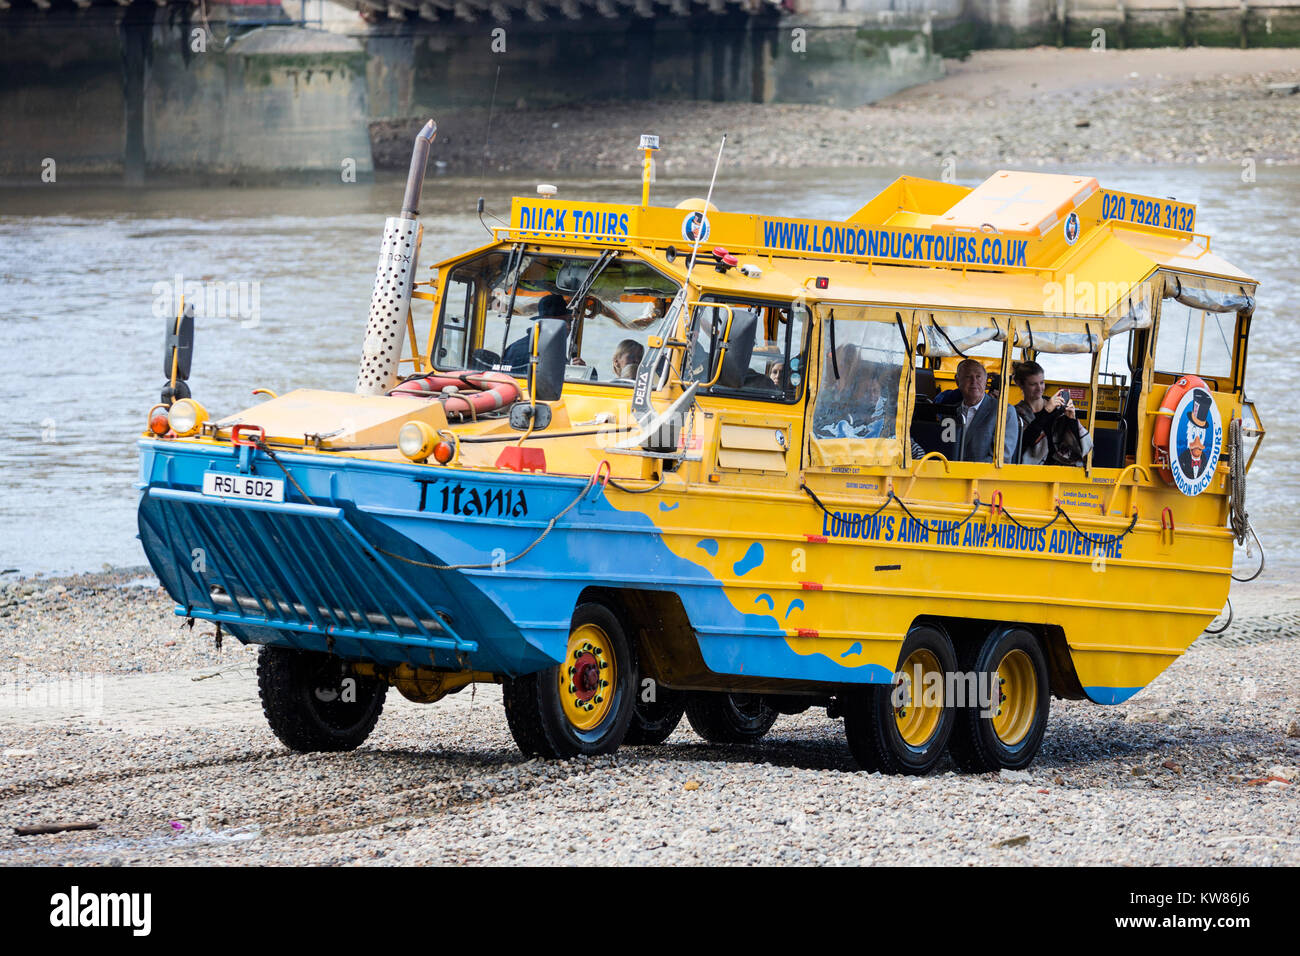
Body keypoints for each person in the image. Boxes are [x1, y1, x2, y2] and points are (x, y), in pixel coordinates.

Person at [1012, 361, 1092, 466]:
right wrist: (1046, 411)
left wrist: (1071, 419)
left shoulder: (1058, 409)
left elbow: (1079, 447)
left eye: (1042, 382)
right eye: (1033, 384)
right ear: (1020, 384)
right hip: (1031, 471)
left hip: (1061, 469)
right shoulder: (1016, 413)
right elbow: (1023, 443)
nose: (1039, 388)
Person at [941, 358, 1019, 463]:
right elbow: (946, 448)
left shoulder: (1004, 412)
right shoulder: (951, 412)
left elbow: (1001, 459)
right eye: (968, 377)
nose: (974, 382)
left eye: (978, 377)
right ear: (957, 381)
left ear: (986, 380)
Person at [501, 293, 571, 373]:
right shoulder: (522, 350)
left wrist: (580, 373)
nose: (568, 327)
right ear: (544, 323)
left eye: (569, 321)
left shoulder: (554, 348)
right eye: (562, 322)